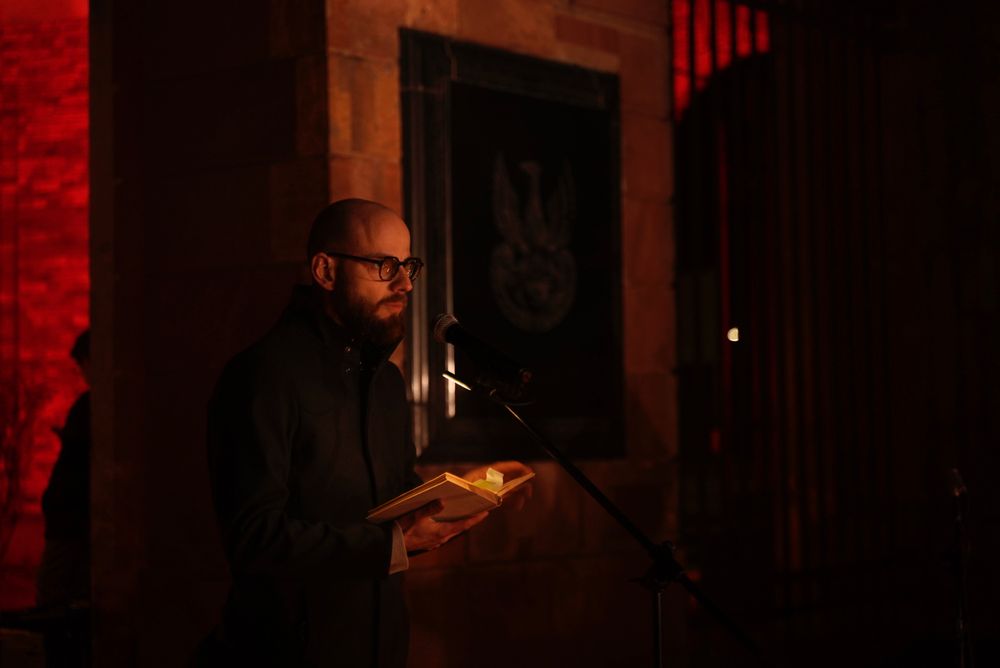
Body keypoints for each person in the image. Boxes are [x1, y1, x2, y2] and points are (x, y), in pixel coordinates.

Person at [204, 199, 531, 666]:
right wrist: (391, 544)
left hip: (378, 646)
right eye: (384, 266)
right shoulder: (264, 376)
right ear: (325, 270)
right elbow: (254, 537)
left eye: (408, 266)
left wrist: (471, 492)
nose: (405, 284)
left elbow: (394, 510)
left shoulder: (386, 383)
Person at [37, 329, 91, 607]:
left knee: (55, 599)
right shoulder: (90, 407)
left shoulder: (91, 407)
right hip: (69, 523)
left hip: (71, 525)